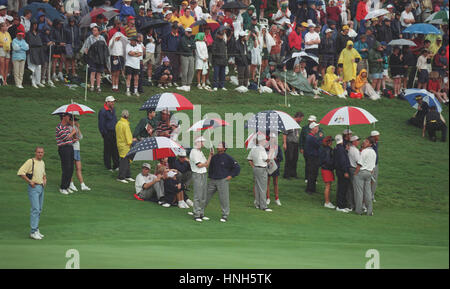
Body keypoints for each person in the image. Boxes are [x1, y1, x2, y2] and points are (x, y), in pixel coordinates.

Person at [206, 142, 241, 222]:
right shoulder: (214, 157)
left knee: (224, 199)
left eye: (220, 146)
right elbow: (210, 167)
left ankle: (225, 215)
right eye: (218, 145)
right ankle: (200, 211)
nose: (218, 147)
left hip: (222, 180)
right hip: (212, 180)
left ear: (224, 148)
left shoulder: (228, 158)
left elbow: (237, 168)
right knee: (206, 196)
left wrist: (231, 176)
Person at [17, 147, 47, 240]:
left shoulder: (42, 162)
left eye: (41, 152)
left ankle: (36, 229)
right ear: (35, 153)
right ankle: (33, 231)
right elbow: (21, 172)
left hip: (41, 187)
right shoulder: (30, 161)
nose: (40, 154)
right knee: (35, 209)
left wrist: (45, 179)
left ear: (43, 153)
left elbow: (44, 174)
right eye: (38, 152)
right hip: (33, 188)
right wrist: (29, 181)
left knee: (39, 209)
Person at [189, 136, 213, 222]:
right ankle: (196, 214)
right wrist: (205, 164)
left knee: (203, 195)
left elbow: (206, 164)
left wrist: (210, 155)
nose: (203, 144)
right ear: (197, 142)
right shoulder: (193, 152)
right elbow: (199, 165)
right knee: (198, 195)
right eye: (202, 142)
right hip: (197, 174)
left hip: (203, 173)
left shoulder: (200, 152)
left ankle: (201, 213)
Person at [247, 133, 272, 212]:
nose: (265, 141)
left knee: (257, 187)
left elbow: (249, 159)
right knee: (262, 188)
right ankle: (263, 206)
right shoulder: (261, 148)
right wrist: (271, 154)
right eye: (264, 140)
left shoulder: (253, 148)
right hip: (262, 169)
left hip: (256, 169)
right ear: (261, 141)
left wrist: (253, 166)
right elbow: (266, 159)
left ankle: (257, 204)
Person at [353, 137, 377, 216]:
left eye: (366, 141)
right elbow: (373, 166)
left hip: (361, 172)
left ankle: (358, 211)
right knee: (368, 192)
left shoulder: (364, 151)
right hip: (369, 173)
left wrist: (355, 173)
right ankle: (369, 211)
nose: (364, 142)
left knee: (359, 192)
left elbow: (360, 164)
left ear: (370, 144)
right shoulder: (373, 152)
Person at [82, 24, 108, 93]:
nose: (93, 32)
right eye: (93, 30)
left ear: (99, 31)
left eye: (95, 30)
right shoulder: (89, 38)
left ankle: (98, 87)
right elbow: (85, 47)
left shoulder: (102, 38)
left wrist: (104, 57)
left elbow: (105, 48)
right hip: (92, 58)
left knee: (99, 73)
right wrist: (86, 52)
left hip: (100, 59)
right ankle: (92, 86)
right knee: (93, 72)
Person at [68, 116, 91, 192]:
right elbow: (68, 138)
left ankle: (82, 184)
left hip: (77, 149)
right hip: (72, 148)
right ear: (70, 121)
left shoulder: (75, 127)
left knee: (79, 168)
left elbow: (80, 137)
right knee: (71, 167)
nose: (75, 122)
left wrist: (78, 128)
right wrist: (74, 137)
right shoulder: (68, 128)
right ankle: (71, 183)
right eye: (74, 120)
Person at [56, 113, 76, 195]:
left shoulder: (67, 127)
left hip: (70, 147)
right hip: (64, 149)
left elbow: (70, 138)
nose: (69, 117)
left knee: (71, 167)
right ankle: (63, 187)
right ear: (63, 117)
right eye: (68, 116)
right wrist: (72, 132)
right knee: (66, 167)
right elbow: (65, 137)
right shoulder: (59, 127)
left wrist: (73, 136)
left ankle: (67, 186)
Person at [98, 96, 120, 172]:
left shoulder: (113, 109)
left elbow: (115, 120)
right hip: (107, 133)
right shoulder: (103, 111)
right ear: (107, 102)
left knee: (115, 149)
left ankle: (116, 165)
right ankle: (108, 167)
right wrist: (104, 133)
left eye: (113, 101)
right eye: (111, 102)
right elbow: (101, 124)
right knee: (107, 150)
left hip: (114, 132)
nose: (113, 103)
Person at [304, 122, 324, 194]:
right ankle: (310, 189)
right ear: (313, 129)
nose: (318, 128)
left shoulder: (312, 136)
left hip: (313, 157)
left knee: (313, 173)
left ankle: (312, 188)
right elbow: (318, 144)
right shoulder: (311, 137)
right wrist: (321, 138)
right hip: (312, 158)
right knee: (312, 173)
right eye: (316, 127)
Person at [282, 112, 303, 180]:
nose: (301, 120)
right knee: (289, 158)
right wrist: (284, 143)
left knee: (295, 158)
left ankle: (293, 173)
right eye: (301, 118)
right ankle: (286, 174)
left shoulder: (297, 124)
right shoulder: (288, 123)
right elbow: (284, 134)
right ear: (298, 117)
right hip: (289, 142)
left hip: (296, 143)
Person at [116, 110, 134, 184]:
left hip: (120, 144)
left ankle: (127, 175)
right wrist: (131, 142)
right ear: (127, 116)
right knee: (124, 161)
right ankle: (121, 177)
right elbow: (128, 135)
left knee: (126, 160)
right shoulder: (125, 124)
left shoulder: (118, 123)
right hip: (125, 145)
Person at [333, 134, 351, 213]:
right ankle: (340, 206)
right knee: (342, 189)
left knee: (342, 188)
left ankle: (342, 205)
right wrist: (346, 171)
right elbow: (343, 161)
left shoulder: (337, 148)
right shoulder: (340, 149)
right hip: (342, 171)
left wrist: (346, 150)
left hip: (339, 171)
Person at [266, 134, 283, 206]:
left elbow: (281, 158)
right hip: (268, 166)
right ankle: (268, 198)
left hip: (275, 167)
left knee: (275, 183)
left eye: (274, 138)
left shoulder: (277, 147)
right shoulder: (266, 147)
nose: (273, 139)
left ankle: (277, 198)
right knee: (268, 183)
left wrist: (276, 159)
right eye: (271, 138)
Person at [177, 27, 195, 92]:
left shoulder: (191, 39)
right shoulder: (182, 39)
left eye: (190, 32)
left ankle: (188, 84)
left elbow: (194, 46)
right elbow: (184, 47)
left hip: (191, 56)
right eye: (188, 32)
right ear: (185, 32)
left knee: (191, 70)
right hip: (184, 56)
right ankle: (184, 84)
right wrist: (190, 47)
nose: (190, 33)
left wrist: (189, 46)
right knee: (185, 70)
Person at [319, 136, 335, 209]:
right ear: (328, 142)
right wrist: (333, 165)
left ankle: (328, 201)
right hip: (327, 169)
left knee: (328, 185)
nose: (332, 142)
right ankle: (327, 202)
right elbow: (328, 161)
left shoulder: (323, 148)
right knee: (328, 186)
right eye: (331, 141)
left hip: (325, 168)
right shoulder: (328, 150)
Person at [347, 135, 361, 211]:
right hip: (354, 169)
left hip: (350, 169)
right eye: (357, 140)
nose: (359, 142)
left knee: (350, 188)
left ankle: (350, 204)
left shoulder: (349, 149)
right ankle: (354, 205)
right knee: (354, 188)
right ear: (354, 142)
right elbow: (359, 162)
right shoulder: (354, 150)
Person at [369, 130, 380, 203]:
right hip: (371, 165)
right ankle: (369, 195)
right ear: (374, 136)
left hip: (375, 164)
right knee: (371, 181)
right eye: (377, 136)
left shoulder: (376, 143)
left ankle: (372, 195)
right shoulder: (370, 145)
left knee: (374, 181)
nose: (379, 137)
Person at [0, 21, 11, 86]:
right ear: (1, 27)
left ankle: (5, 80)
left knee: (7, 66)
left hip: (7, 51)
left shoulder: (8, 34)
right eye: (4, 26)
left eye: (6, 26)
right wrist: (3, 45)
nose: (6, 27)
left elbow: (9, 42)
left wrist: (8, 47)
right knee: (2, 66)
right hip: (1, 50)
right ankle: (2, 80)